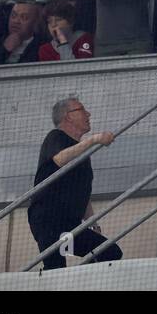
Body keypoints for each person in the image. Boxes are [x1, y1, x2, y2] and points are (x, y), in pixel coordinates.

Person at [27, 97, 123, 270]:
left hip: (69, 226)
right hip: (49, 221)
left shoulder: (81, 153)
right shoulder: (56, 137)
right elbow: (59, 159)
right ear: (68, 116)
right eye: (82, 110)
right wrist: (94, 140)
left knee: (110, 252)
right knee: (55, 267)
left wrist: (92, 221)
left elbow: (81, 191)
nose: (88, 114)